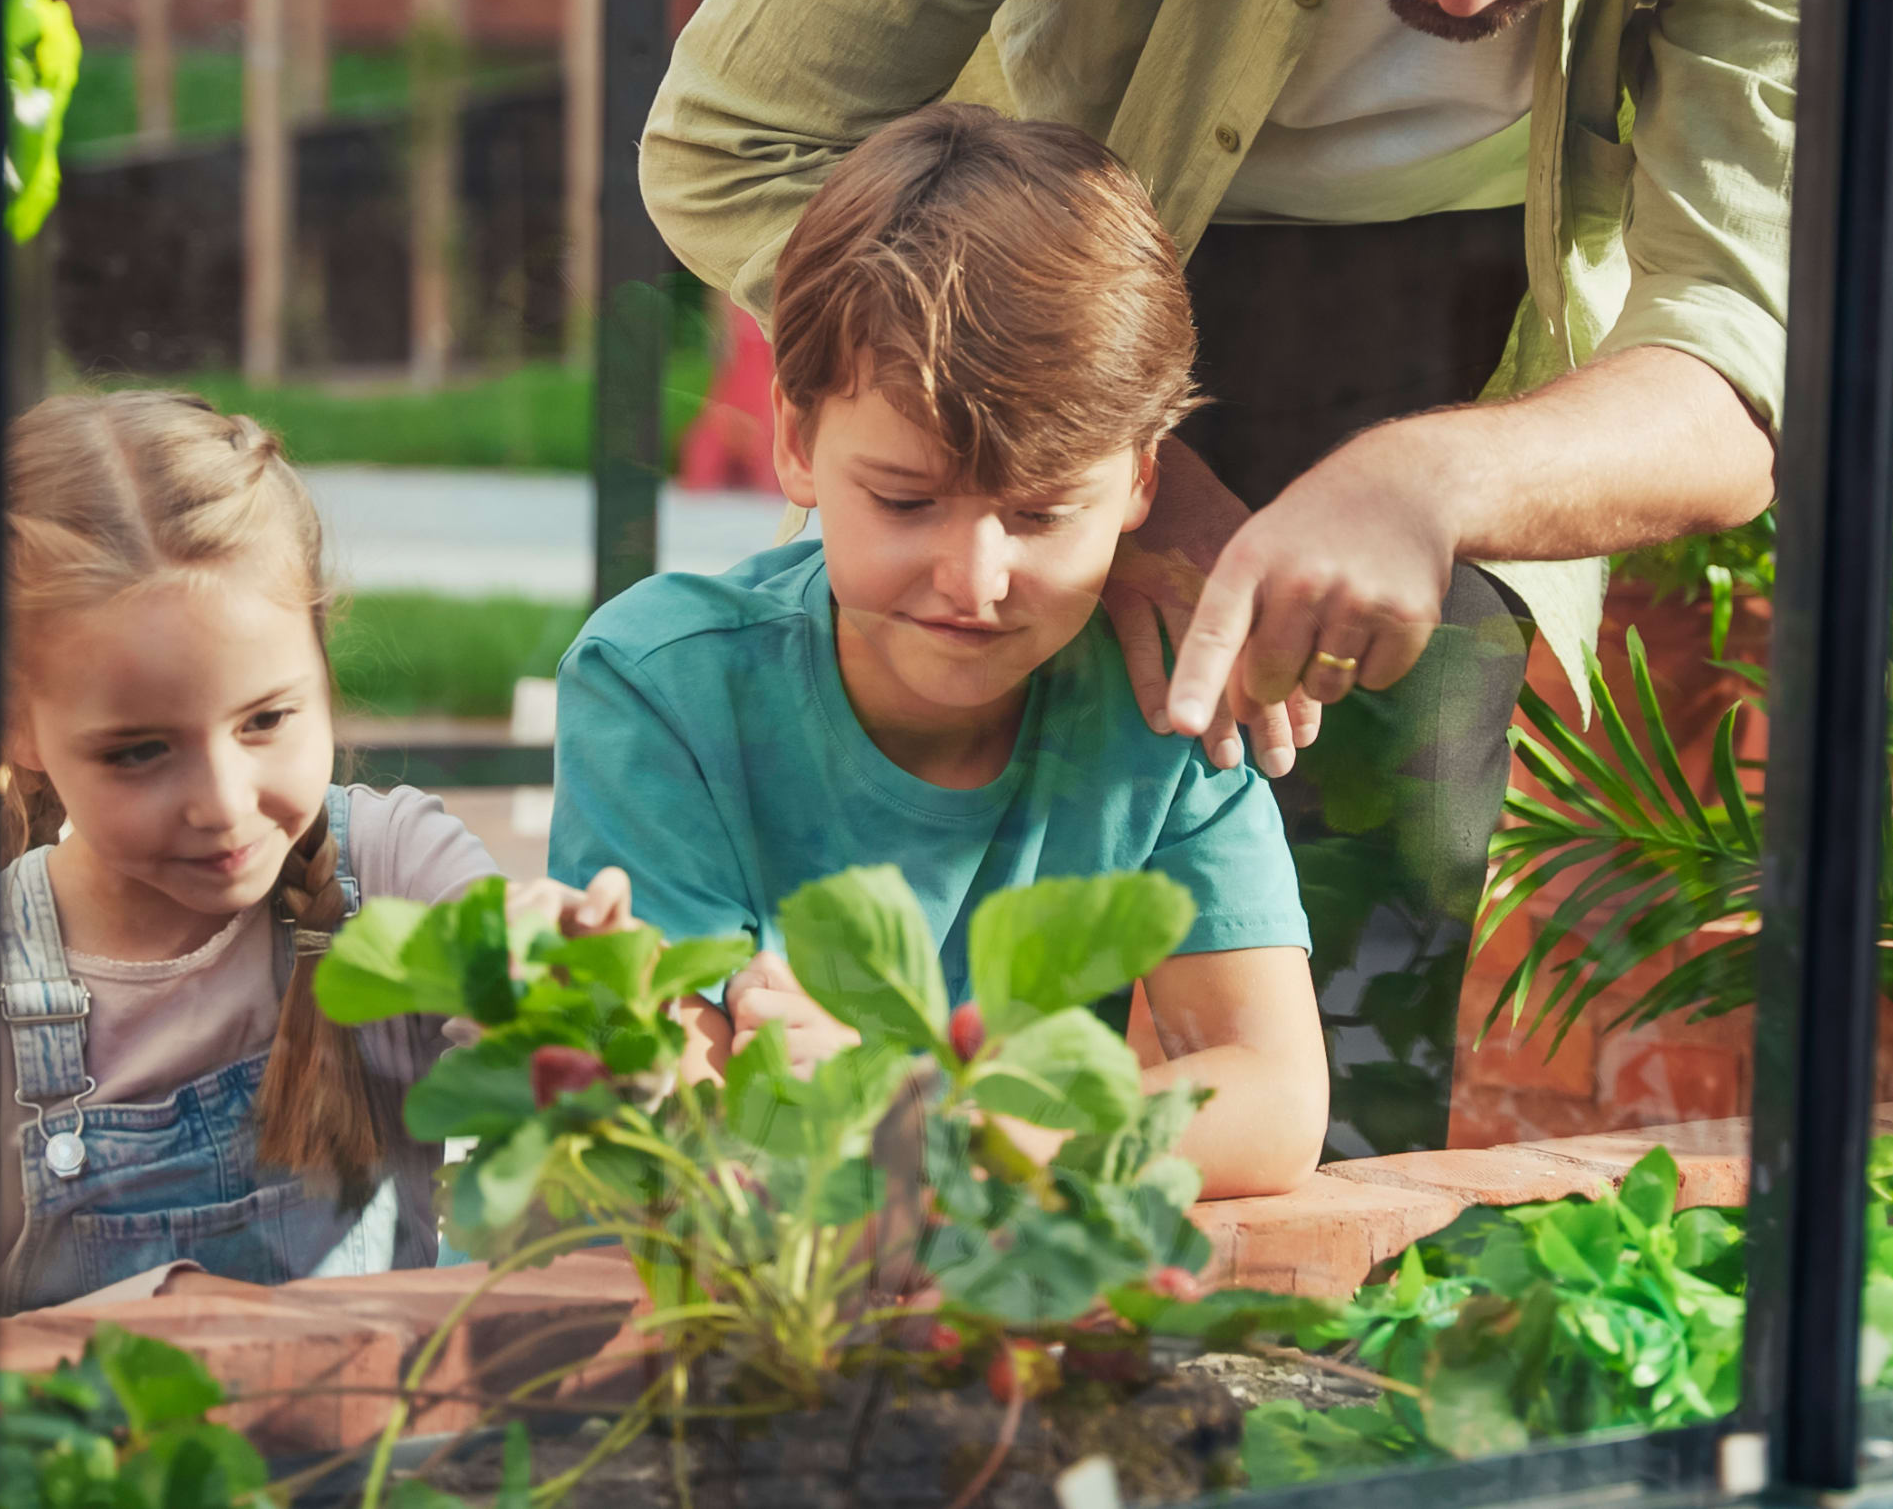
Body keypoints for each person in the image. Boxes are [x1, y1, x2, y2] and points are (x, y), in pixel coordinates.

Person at [641, 0, 1805, 1151]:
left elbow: (1731, 366)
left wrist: (1432, 483)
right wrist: (1111, 474)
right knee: (961, 959)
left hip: (1479, 318)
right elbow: (737, 142)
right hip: (1048, 284)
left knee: (1359, 1004)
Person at [549, 105, 1331, 1197]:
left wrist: (929, 1115)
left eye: (1043, 514)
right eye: (908, 499)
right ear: (795, 438)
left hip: (957, 1302)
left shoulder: (1165, 709)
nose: (975, 580)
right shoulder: (661, 683)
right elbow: (684, 1113)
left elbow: (1273, 1104)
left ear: (1145, 480)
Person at [0, 391, 625, 1313]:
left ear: (321, 662)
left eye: (266, 719)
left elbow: (561, 1090)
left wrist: (558, 990)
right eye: (139, 750)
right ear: (17, 722)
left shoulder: (395, 863)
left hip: (386, 1459)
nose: (223, 804)